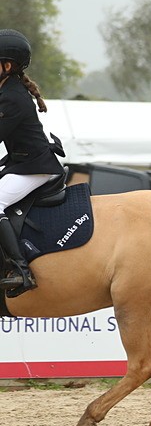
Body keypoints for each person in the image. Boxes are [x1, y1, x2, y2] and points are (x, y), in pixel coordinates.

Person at [0, 29, 66, 296]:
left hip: (36, 168)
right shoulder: (7, 90)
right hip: (22, 163)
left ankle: (20, 270)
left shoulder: (12, 97)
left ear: (6, 66)